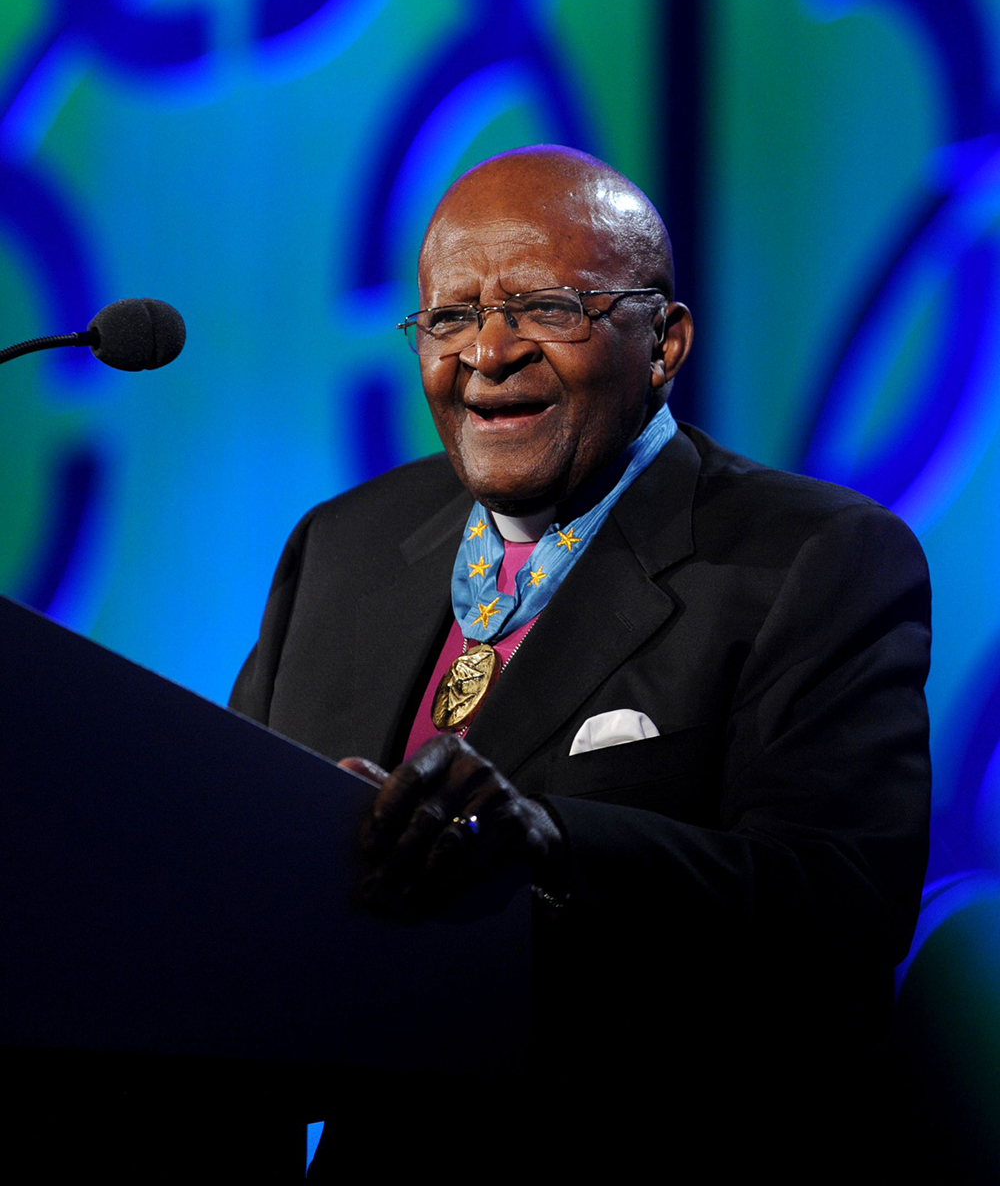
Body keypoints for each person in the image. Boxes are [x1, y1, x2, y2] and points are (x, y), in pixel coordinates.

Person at [231, 146, 930, 1171]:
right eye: (449, 317)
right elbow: (233, 856)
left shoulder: (811, 556)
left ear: (663, 343)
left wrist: (547, 842)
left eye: (548, 307)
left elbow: (835, 908)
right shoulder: (340, 546)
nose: (488, 351)